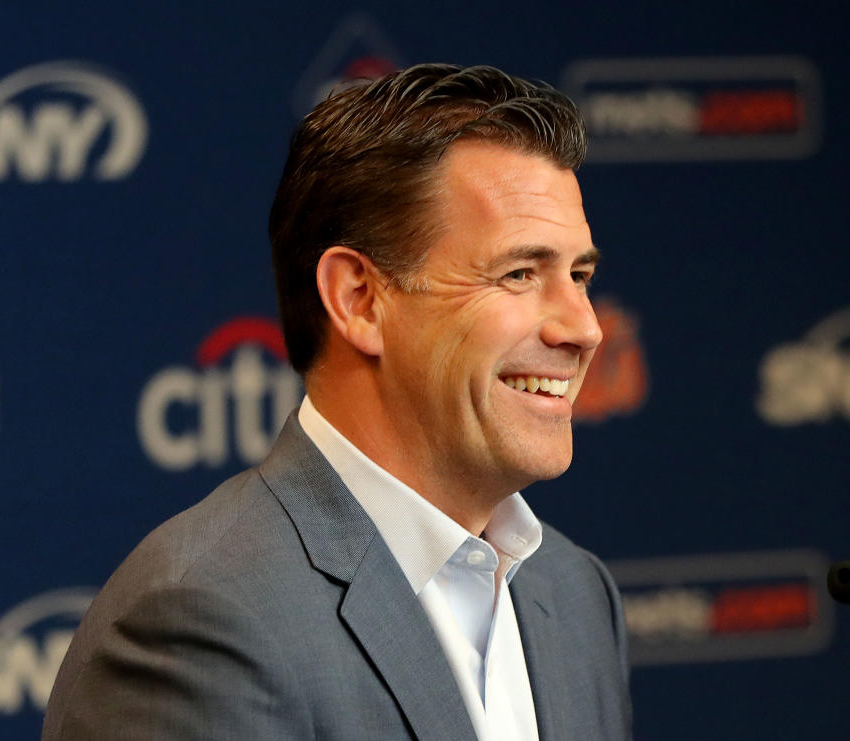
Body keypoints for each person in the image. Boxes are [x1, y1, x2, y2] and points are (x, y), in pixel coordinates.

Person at [42, 63, 632, 740]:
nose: (584, 327)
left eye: (579, 274)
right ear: (359, 300)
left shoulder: (575, 592)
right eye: (520, 273)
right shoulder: (204, 619)